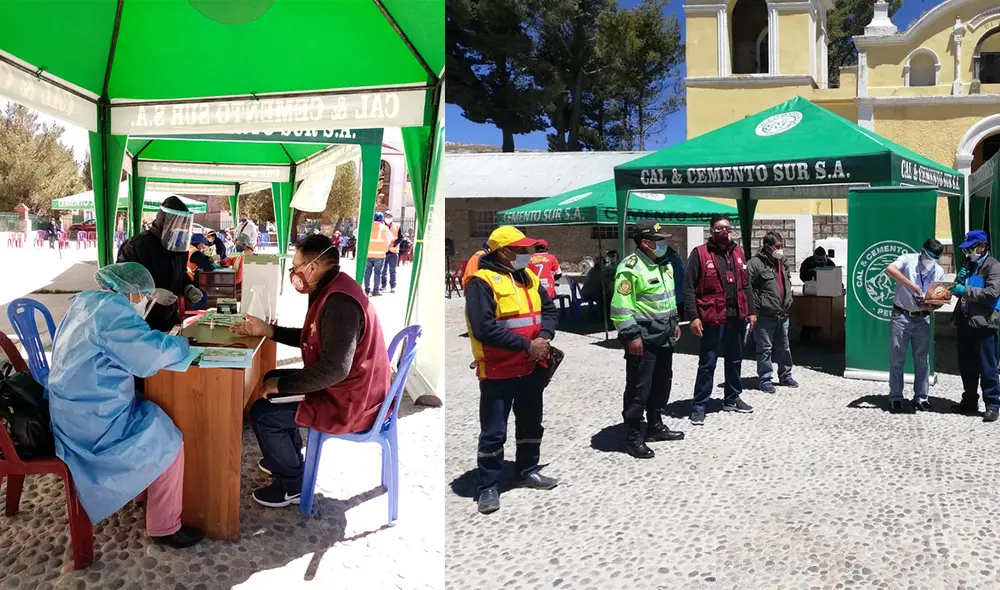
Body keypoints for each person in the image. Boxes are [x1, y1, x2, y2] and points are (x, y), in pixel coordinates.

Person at [46, 262, 204, 548]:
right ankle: (164, 526)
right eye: (145, 296)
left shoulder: (87, 303)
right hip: (92, 424)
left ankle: (142, 487)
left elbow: (131, 345)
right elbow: (148, 357)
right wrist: (183, 345)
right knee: (168, 439)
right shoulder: (113, 313)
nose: (146, 302)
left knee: (149, 408)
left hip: (72, 411)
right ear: (133, 293)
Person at [230, 235, 391, 506]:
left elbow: (335, 369)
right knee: (272, 378)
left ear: (313, 267)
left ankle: (292, 484)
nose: (293, 273)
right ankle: (287, 459)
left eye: (296, 267)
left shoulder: (340, 302)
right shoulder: (331, 287)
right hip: (349, 388)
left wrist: (283, 387)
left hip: (351, 401)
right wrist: (267, 330)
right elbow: (313, 336)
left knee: (263, 413)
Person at [465, 226, 559, 515]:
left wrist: (544, 336)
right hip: (498, 369)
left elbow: (550, 309)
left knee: (531, 422)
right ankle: (489, 486)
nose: (526, 255)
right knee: (494, 432)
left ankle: (527, 468)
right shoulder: (481, 282)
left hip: (532, 366)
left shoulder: (528, 277)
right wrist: (526, 345)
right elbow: (484, 328)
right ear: (503, 252)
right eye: (520, 250)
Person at [610, 221, 685, 459]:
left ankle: (655, 426)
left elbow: (668, 299)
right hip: (642, 337)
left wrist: (674, 323)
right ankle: (633, 435)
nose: (664, 243)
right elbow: (621, 307)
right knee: (639, 387)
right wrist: (631, 336)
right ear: (645, 242)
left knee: (662, 382)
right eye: (659, 239)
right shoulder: (630, 268)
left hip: (664, 334)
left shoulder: (663, 265)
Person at [684, 214, 757, 425]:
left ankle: (732, 398)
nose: (723, 231)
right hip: (712, 317)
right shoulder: (699, 254)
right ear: (711, 231)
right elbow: (688, 287)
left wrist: (751, 311)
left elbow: (746, 285)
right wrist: (693, 317)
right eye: (718, 228)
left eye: (726, 227)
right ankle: (699, 405)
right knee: (708, 362)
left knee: (735, 359)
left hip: (736, 317)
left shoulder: (738, 252)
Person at [117, 197, 205, 332]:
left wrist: (187, 287)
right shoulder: (137, 246)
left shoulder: (179, 247)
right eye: (178, 223)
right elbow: (121, 283)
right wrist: (150, 293)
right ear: (165, 221)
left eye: (183, 224)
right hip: (139, 322)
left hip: (168, 318)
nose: (181, 228)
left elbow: (179, 275)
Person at [882, 239, 944, 413]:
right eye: (930, 257)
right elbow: (890, 269)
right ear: (922, 252)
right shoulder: (908, 259)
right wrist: (911, 284)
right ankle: (895, 397)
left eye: (936, 259)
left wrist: (931, 306)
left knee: (922, 360)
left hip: (922, 319)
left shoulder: (938, 271)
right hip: (901, 315)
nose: (932, 262)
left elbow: (938, 299)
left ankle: (921, 397)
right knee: (897, 359)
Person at [949, 230, 1000, 422]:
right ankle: (969, 400)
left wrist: (965, 289)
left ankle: (993, 404)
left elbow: (991, 293)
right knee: (967, 365)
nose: (967, 253)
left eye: (970, 249)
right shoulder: (968, 265)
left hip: (984, 324)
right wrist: (959, 282)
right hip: (965, 321)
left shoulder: (994, 267)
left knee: (987, 366)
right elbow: (959, 290)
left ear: (981, 247)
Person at [748, 231, 797, 393]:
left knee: (784, 347)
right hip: (764, 315)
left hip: (782, 314)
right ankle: (765, 379)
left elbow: (786, 282)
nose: (780, 249)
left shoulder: (782, 261)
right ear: (768, 247)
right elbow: (747, 289)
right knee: (765, 349)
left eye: (781, 246)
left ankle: (785, 375)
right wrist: (752, 311)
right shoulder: (755, 264)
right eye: (777, 246)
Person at [364, 213, 389, 297]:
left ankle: (366, 290)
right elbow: (390, 239)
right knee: (377, 273)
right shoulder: (384, 228)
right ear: (382, 219)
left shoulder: (368, 227)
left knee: (367, 272)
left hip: (368, 254)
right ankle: (375, 290)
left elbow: (356, 233)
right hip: (380, 255)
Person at [379, 213, 401, 294]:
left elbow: (400, 237)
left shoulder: (397, 226)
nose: (388, 218)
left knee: (393, 270)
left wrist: (394, 244)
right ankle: (383, 286)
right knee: (383, 270)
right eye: (387, 217)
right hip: (384, 251)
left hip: (393, 252)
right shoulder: (381, 227)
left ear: (392, 218)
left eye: (390, 217)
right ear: (384, 218)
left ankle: (393, 286)